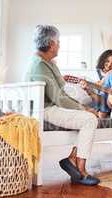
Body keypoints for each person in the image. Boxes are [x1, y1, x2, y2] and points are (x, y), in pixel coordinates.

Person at [28, 25, 100, 185]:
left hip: (50, 107)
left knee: (88, 117)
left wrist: (82, 107)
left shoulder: (47, 62)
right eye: (58, 42)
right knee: (89, 119)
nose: (60, 45)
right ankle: (80, 169)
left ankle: (72, 160)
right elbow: (58, 97)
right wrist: (84, 108)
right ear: (51, 43)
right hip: (45, 110)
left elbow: (61, 91)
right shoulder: (40, 64)